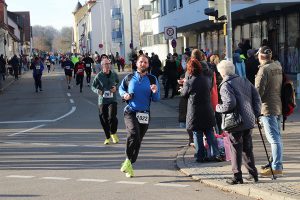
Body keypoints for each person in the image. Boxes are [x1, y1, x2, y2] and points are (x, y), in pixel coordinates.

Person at [216, 60, 261, 184]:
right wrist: (256, 113)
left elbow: (230, 103)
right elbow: (257, 97)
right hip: (248, 118)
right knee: (247, 148)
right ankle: (253, 174)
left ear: (222, 72)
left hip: (235, 121)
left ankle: (237, 176)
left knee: (235, 148)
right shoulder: (244, 80)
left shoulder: (226, 85)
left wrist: (218, 107)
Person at [118, 55, 160, 178]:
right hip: (130, 111)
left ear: (148, 65)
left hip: (145, 114)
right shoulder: (129, 78)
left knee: (138, 140)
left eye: (145, 62)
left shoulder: (152, 79)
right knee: (133, 134)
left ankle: (128, 163)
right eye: (141, 62)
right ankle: (128, 162)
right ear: (137, 64)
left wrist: (155, 91)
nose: (143, 64)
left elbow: (156, 99)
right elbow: (121, 89)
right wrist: (124, 95)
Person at [181, 58, 221, 163]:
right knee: (210, 132)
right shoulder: (206, 79)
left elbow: (184, 94)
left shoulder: (190, 81)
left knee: (197, 133)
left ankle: (200, 156)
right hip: (207, 109)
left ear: (189, 69)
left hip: (195, 111)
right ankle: (216, 154)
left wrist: (184, 85)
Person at [255, 46, 283, 177]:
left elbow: (258, 93)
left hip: (267, 108)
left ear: (260, 56)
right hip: (278, 106)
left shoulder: (264, 70)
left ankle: (276, 167)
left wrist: (254, 108)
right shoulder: (277, 66)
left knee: (274, 139)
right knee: (277, 138)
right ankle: (275, 164)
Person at [91, 58, 120, 145]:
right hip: (102, 100)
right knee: (103, 119)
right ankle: (107, 137)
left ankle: (113, 133)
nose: (108, 65)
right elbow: (93, 86)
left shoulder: (114, 74)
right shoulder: (99, 76)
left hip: (112, 99)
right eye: (106, 64)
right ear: (102, 66)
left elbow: (117, 83)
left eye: (109, 64)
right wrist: (98, 91)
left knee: (112, 117)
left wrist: (116, 87)